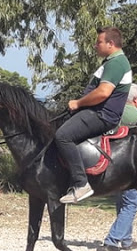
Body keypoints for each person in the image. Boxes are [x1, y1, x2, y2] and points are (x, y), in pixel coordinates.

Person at [55, 27, 132, 204]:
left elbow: (103, 93)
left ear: (110, 44)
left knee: (63, 136)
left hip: (103, 115)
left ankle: (81, 184)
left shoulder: (117, 63)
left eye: (99, 42)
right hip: (96, 112)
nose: (95, 46)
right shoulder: (110, 62)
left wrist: (78, 103)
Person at [98, 84, 137, 251]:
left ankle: (127, 239)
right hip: (135, 168)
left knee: (122, 202)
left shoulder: (113, 115)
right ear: (136, 99)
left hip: (112, 165)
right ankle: (112, 240)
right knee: (131, 204)